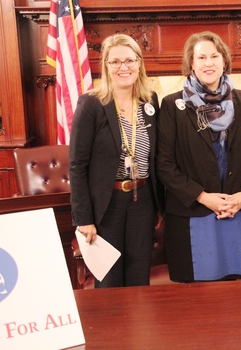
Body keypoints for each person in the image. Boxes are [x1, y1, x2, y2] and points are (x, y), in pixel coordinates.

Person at [157, 31, 241, 283]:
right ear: (191, 63)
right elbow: (164, 164)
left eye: (214, 56)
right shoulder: (173, 106)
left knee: (237, 301)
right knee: (196, 305)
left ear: (224, 61)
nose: (209, 63)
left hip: (237, 210)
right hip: (193, 212)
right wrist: (203, 197)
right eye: (201, 57)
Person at [70, 33, 163, 288]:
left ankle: (139, 328)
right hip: (106, 205)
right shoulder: (91, 104)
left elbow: (156, 158)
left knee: (138, 273)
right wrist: (83, 218)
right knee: (109, 279)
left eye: (130, 61)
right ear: (106, 67)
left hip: (142, 201)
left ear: (139, 63)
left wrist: (158, 206)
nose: (124, 67)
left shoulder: (150, 101)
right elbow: (77, 165)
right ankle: (111, 328)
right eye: (116, 62)